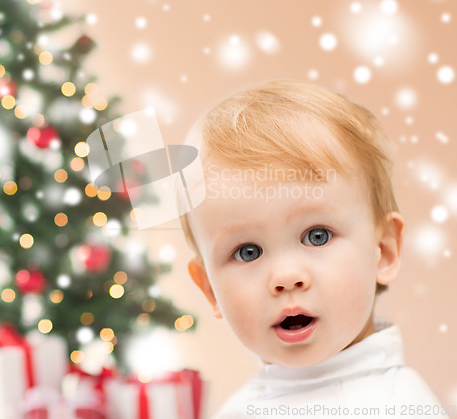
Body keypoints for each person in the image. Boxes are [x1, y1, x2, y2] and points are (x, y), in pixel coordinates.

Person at [179, 81, 444, 418]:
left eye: (317, 235)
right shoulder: (238, 410)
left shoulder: (399, 405)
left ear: (384, 250)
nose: (286, 277)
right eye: (248, 251)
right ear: (209, 289)